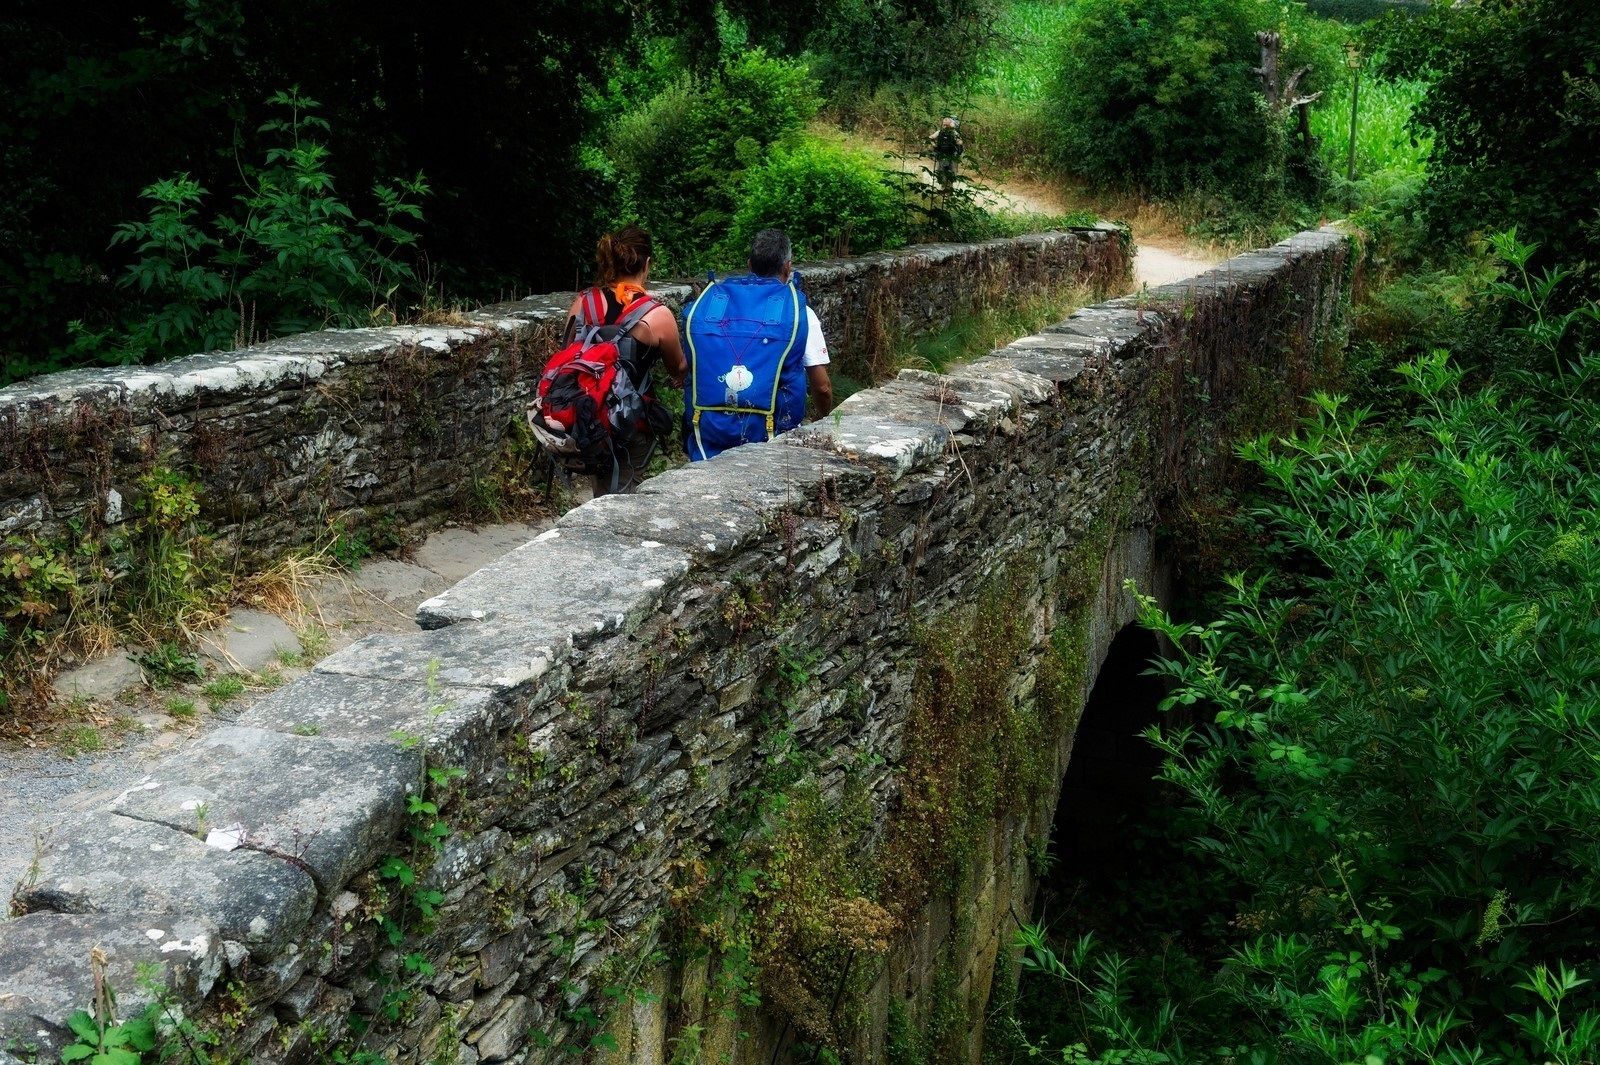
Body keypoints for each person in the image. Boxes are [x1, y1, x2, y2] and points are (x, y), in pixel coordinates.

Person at [681, 228, 834, 462]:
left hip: (707, 438)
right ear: (788, 267)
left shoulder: (707, 308)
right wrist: (824, 422)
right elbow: (822, 387)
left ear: (749, 265)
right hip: (772, 440)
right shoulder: (798, 313)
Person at [557, 225, 687, 495]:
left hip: (587, 419)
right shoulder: (657, 315)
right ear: (647, 263)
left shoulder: (584, 303)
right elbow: (678, 368)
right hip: (631, 422)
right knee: (622, 493)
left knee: (603, 488)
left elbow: (566, 353)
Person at [929, 116, 963, 191]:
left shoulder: (953, 133)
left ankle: (949, 188)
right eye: (944, 124)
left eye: (946, 125)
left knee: (951, 171)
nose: (945, 126)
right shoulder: (940, 132)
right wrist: (935, 145)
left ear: (950, 124)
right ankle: (944, 187)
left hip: (951, 155)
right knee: (942, 171)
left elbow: (960, 142)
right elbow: (931, 137)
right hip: (943, 155)